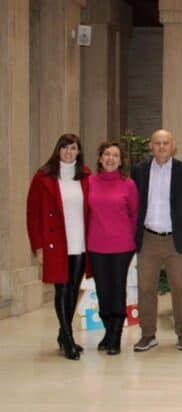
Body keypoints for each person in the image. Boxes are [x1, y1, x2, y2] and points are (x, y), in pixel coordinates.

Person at [26, 133, 91, 360]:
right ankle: (68, 337)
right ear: (58, 150)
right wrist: (39, 247)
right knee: (61, 290)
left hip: (80, 242)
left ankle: (63, 335)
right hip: (56, 243)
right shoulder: (43, 177)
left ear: (78, 152)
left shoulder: (86, 176)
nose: (68, 152)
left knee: (73, 289)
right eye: (64, 148)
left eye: (73, 148)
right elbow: (32, 214)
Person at [131, 129, 182, 352]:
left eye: (165, 143)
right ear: (151, 146)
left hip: (175, 239)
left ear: (173, 146)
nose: (161, 147)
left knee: (180, 288)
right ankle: (147, 334)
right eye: (157, 143)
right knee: (146, 289)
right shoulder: (139, 170)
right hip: (148, 238)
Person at [87, 141, 139, 355]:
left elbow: (135, 214)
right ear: (100, 158)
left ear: (120, 161)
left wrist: (131, 240)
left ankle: (115, 338)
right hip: (96, 245)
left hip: (122, 246)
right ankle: (108, 332)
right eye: (107, 154)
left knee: (117, 290)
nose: (110, 158)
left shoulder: (128, 184)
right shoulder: (89, 182)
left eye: (115, 155)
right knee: (102, 291)